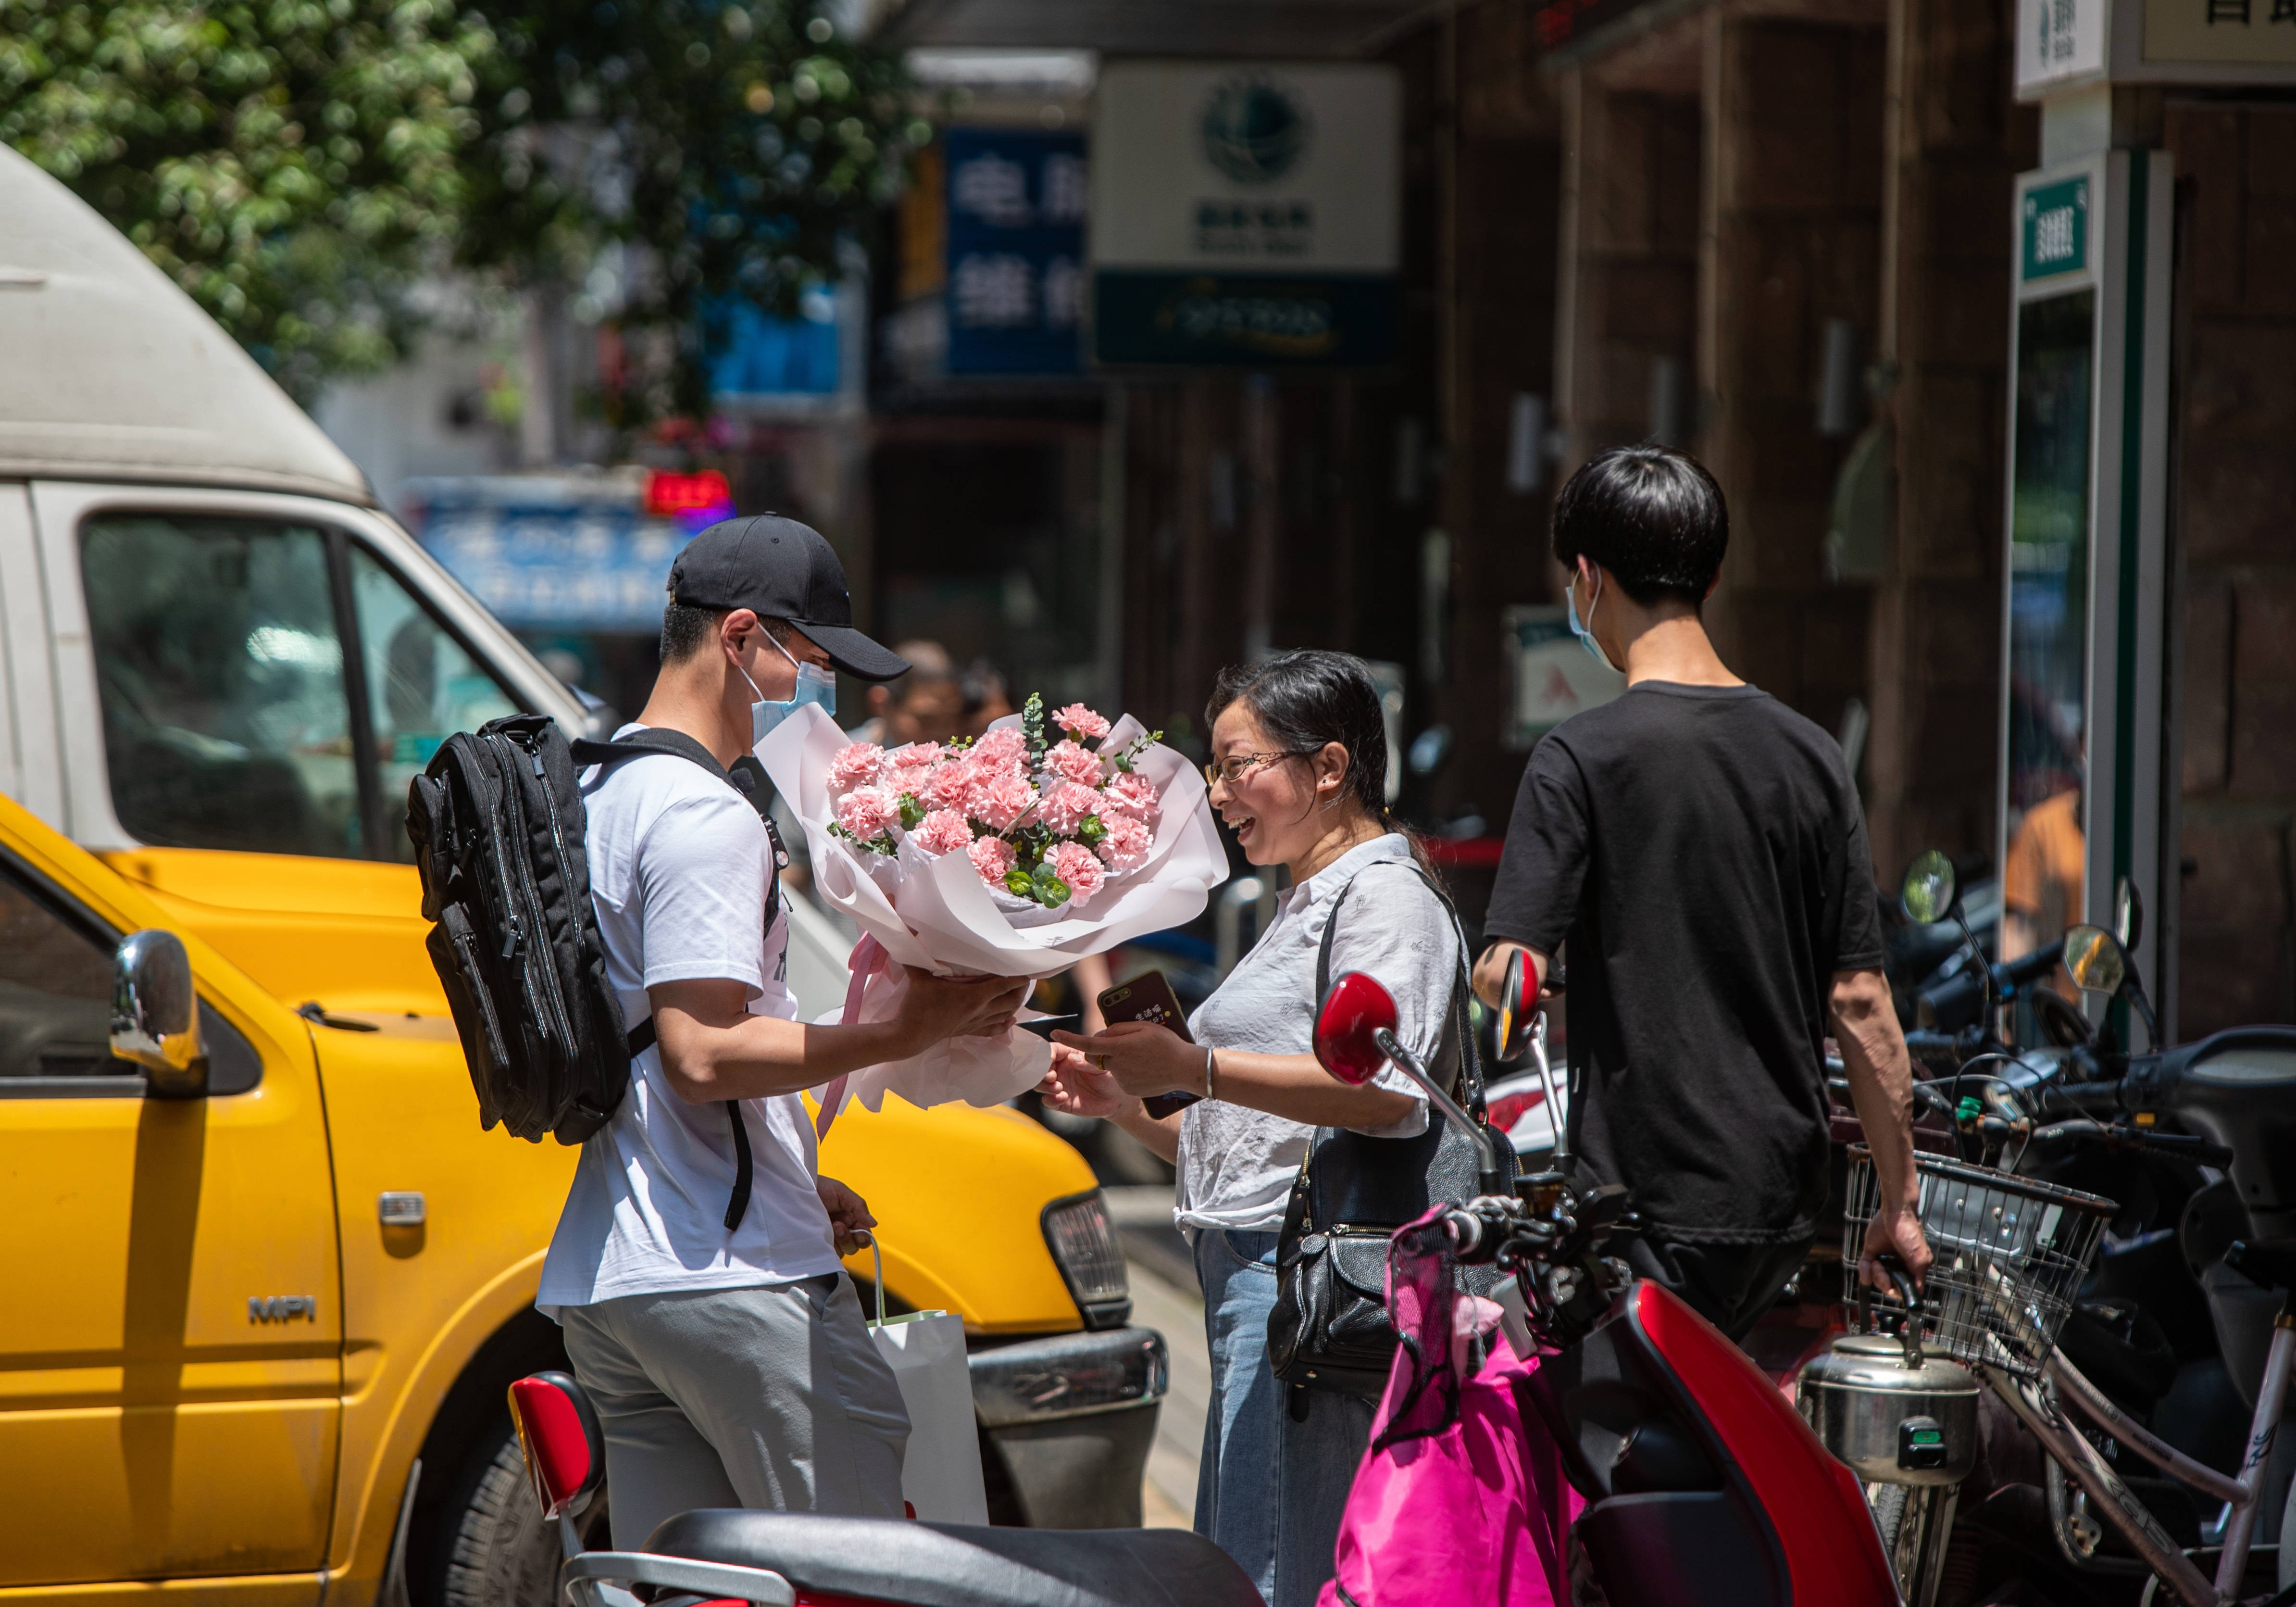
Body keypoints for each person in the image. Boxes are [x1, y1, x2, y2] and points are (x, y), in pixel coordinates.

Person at [539, 515, 1031, 1547]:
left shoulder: (597, 789)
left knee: (690, 1580)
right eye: (810, 661)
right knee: (849, 1570)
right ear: (742, 638)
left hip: (614, 1283)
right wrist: (908, 1029)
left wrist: (791, 1175)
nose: (822, 691)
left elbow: (641, 1041)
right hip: (732, 1276)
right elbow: (702, 1053)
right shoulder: (705, 814)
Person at [1472, 446, 1930, 1339]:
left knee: (1630, 1455)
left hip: (1643, 1202)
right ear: (1713, 576)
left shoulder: (1580, 759)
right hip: (1781, 1204)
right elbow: (1861, 998)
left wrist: (1508, 975)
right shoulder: (1811, 754)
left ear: (1588, 579)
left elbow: (1511, 970)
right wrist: (1899, 1198)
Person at [1037, 651, 1458, 1607]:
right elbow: (1242, 1148)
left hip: (1297, 1284)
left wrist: (1195, 1067)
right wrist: (1128, 1108)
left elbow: (1389, 1093)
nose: (1220, 794)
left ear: (1329, 768)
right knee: (1244, 1553)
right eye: (1215, 767)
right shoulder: (1305, 901)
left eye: (1238, 766)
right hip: (1253, 1277)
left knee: (1267, 1566)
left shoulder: (1381, 897)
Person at [846, 639, 964, 748]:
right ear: (882, 705)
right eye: (927, 721)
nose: (941, 735)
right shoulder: (838, 760)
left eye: (950, 721)